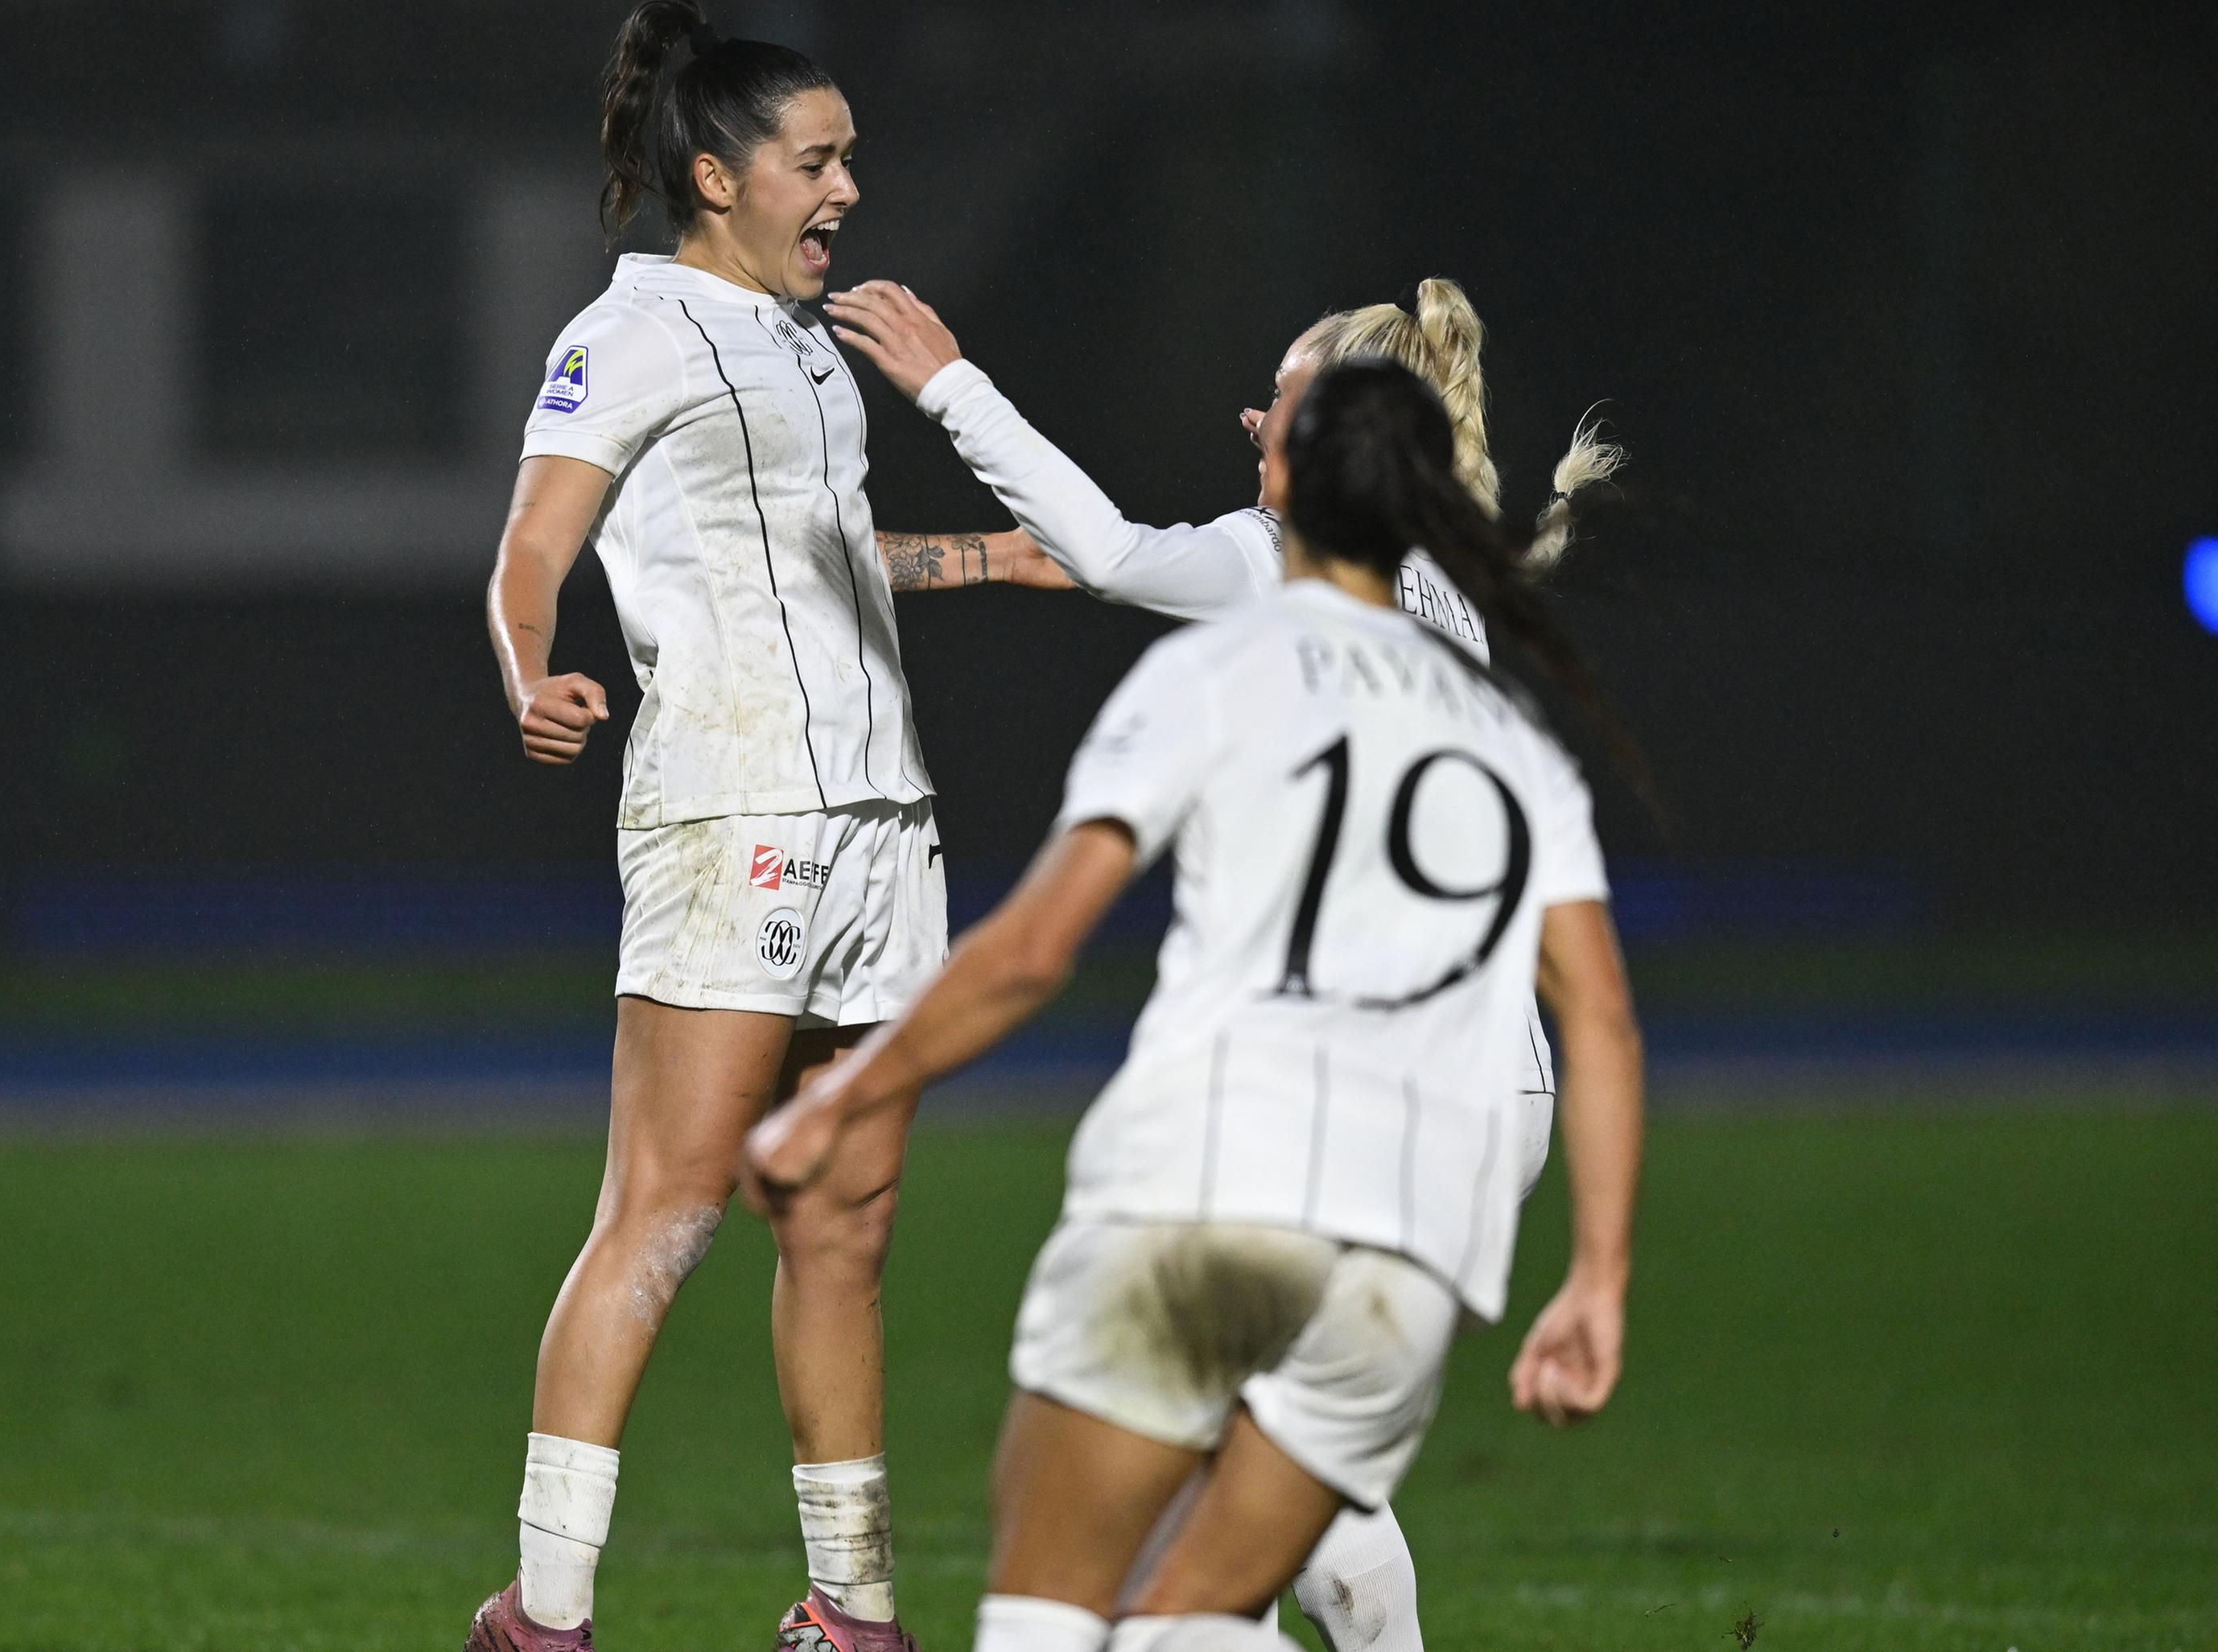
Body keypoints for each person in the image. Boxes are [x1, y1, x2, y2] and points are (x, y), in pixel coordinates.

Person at [745, 360, 1647, 1652]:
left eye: (1277, 414)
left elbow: (1028, 952)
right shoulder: (1495, 717)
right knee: (1258, 1547)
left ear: (1301, 497)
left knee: (1072, 1603)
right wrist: (1598, 1278)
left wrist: (841, 1093)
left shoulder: (1224, 669)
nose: (1245, 425)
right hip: (1438, 1183)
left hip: (1245, 1170)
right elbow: (1603, 1018)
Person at [471, 5, 1062, 1647]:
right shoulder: (630, 330)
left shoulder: (803, 339)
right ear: (716, 176)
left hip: (885, 819)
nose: (850, 190)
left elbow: (818, 555)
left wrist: (993, 561)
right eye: (821, 160)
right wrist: (533, 672)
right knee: (663, 1212)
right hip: (731, 813)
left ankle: (852, 1614)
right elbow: (531, 550)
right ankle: (549, 1612)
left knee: (844, 1221)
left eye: (852, 157)